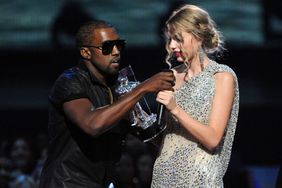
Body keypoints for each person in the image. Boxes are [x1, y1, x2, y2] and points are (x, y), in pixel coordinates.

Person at [39, 20, 175, 188]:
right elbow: (92, 124)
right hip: (67, 183)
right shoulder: (71, 81)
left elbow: (155, 137)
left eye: (119, 45)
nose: (116, 52)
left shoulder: (119, 87)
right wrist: (142, 88)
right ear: (86, 52)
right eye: (107, 47)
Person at [151, 4, 239, 187]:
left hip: (199, 179)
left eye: (178, 39)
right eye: (170, 39)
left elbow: (213, 139)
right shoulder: (171, 76)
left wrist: (175, 108)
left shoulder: (222, 77)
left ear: (198, 37)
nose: (172, 45)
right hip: (164, 177)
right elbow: (168, 138)